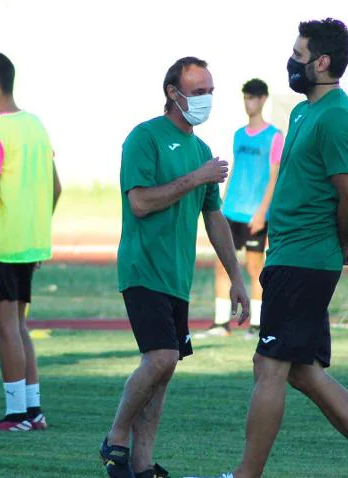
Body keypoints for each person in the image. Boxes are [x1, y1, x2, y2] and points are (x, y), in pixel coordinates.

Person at [186, 18, 348, 478]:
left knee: (268, 367)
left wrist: (345, 245)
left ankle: (246, 476)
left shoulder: (336, 116)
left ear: (322, 62)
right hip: (290, 255)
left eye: (299, 54)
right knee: (303, 372)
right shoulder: (304, 111)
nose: (292, 61)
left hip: (305, 261)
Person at [100, 57, 250, 478]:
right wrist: (196, 177)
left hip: (177, 278)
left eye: (210, 92)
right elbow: (140, 202)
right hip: (142, 269)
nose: (206, 100)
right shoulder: (144, 138)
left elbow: (214, 218)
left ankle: (144, 465)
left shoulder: (200, 150)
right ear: (173, 92)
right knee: (162, 359)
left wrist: (237, 277)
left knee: (163, 373)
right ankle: (116, 437)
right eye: (198, 91)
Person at [0, 52, 62, 431]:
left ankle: (16, 415)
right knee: (18, 328)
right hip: (27, 246)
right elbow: (55, 187)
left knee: (5, 330)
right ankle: (33, 412)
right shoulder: (36, 126)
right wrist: (35, 231)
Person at [197, 78, 283, 339]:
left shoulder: (275, 136)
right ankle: (222, 323)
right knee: (222, 265)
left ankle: (256, 324)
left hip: (255, 214)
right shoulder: (239, 134)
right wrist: (221, 202)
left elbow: (274, 177)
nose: (250, 103)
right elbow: (235, 169)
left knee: (256, 268)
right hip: (231, 210)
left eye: (254, 98)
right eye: (246, 97)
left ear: (264, 100)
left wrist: (262, 212)